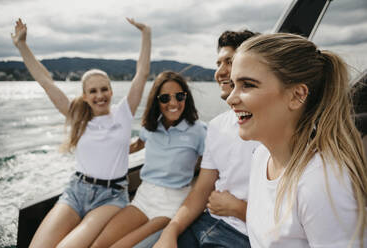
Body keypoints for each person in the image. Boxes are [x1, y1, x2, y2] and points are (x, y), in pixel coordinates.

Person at [11, 17, 151, 247]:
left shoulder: (123, 113)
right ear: (85, 96)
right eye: (93, 91)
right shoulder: (78, 117)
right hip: (77, 191)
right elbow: (46, 82)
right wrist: (22, 45)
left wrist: (146, 33)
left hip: (111, 196)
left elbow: (142, 74)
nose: (100, 95)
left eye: (104, 89)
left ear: (111, 90)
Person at [227, 33, 367, 247]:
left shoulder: (322, 183)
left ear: (297, 96)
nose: (231, 98)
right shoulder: (261, 157)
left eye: (248, 85)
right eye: (233, 84)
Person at [153, 30, 260, 248]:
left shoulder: (273, 129)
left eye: (229, 62)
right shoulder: (217, 126)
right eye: (218, 63)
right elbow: (202, 190)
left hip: (246, 236)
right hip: (206, 222)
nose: (220, 72)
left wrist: (238, 209)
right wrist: (171, 230)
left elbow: (290, 225)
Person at [90, 71, 207, 248]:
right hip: (144, 197)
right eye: (165, 98)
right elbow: (137, 145)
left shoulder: (199, 131)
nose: (173, 103)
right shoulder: (151, 127)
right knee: (98, 244)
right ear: (157, 101)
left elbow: (211, 167)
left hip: (172, 204)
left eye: (179, 96)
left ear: (186, 98)